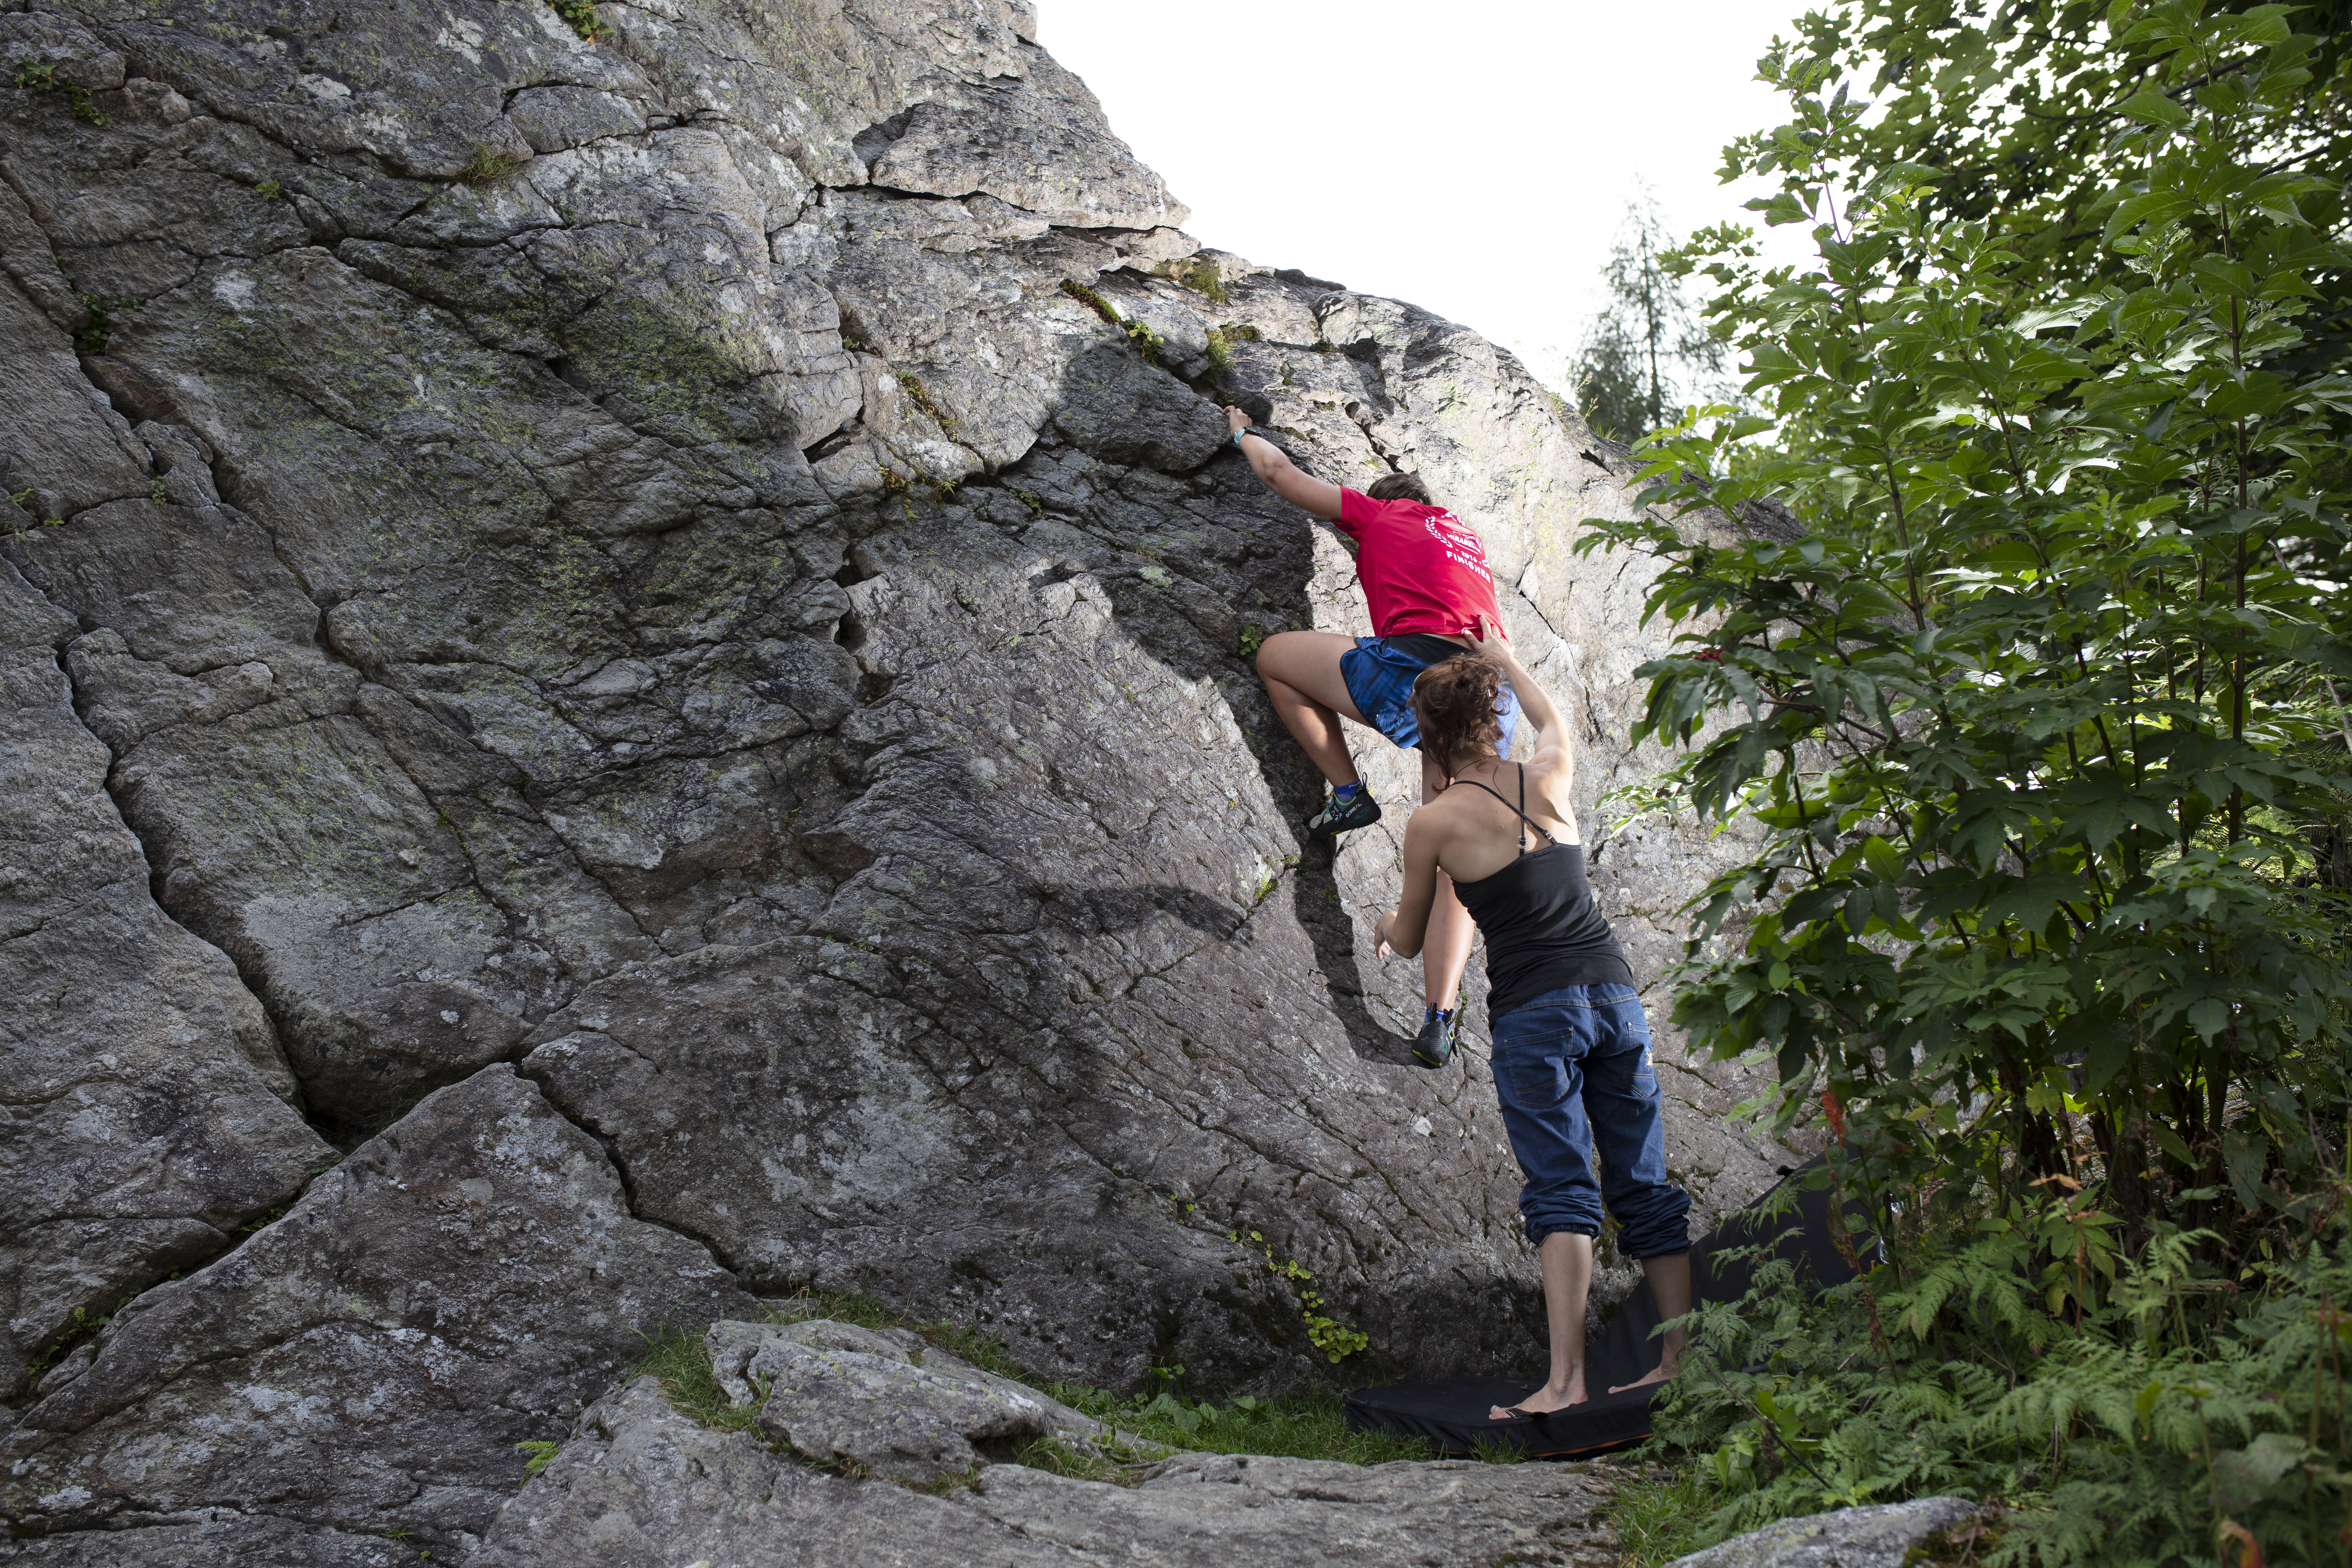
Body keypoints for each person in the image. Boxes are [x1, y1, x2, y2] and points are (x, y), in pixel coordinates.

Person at [1371, 614, 1693, 1418]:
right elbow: (1554, 720)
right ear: (1491, 720)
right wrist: (1507, 658)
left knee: (1561, 1189)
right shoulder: (1549, 775)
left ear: (1428, 735)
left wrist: (1383, 926)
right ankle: (1679, 1362)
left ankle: (1565, 1384)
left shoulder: (1434, 823)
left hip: (1536, 1015)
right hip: (1614, 996)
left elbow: (1412, 940)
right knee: (1643, 1184)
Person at [1224, 404, 1518, 1069]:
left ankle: (1348, 791)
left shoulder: (1383, 513)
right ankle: (1440, 1017)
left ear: (1387, 503)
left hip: (1421, 670)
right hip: (1491, 693)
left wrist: (1242, 432)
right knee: (1453, 863)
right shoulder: (1466, 539)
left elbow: (1279, 473)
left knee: (1275, 656)